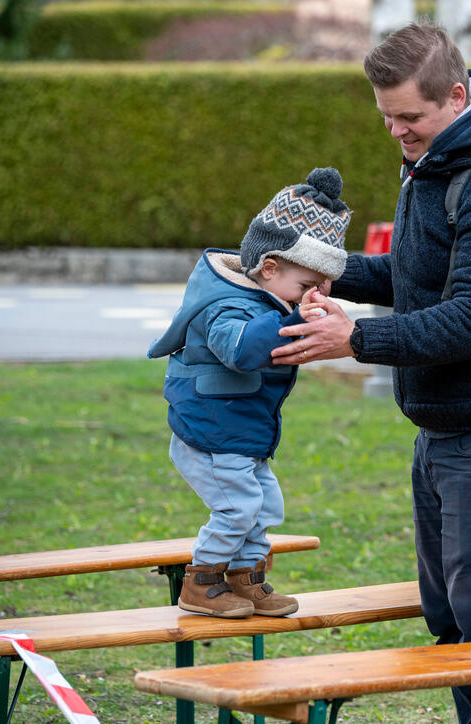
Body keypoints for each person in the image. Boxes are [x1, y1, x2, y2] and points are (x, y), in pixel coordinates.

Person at [271, 24, 471, 723]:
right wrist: (319, 268)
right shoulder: (438, 158)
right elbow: (419, 278)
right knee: (449, 616)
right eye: (386, 117)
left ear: (456, 95)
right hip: (448, 425)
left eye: (409, 117)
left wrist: (354, 340)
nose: (396, 132)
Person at [148, 167, 351, 618]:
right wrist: (290, 318)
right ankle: (201, 583)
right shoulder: (226, 305)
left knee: (264, 506)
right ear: (270, 267)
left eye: (323, 286)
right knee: (238, 507)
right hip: (210, 433)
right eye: (306, 287)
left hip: (241, 433)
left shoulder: (269, 299)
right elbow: (240, 351)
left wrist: (296, 312)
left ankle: (247, 581)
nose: (313, 296)